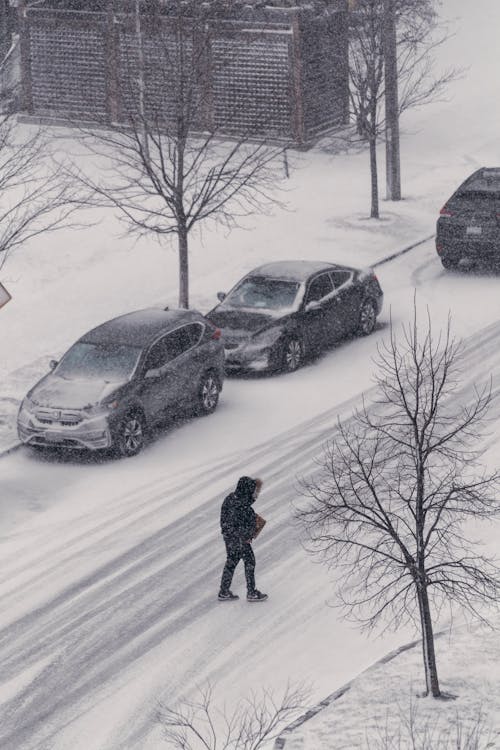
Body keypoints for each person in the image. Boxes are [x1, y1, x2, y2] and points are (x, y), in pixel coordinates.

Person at [218, 476, 268, 602]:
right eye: (253, 491)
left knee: (232, 561)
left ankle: (224, 591)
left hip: (229, 537)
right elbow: (244, 523)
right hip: (239, 538)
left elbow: (227, 521)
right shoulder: (243, 506)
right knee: (250, 561)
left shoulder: (230, 499)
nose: (255, 494)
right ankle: (251, 592)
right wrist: (247, 536)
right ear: (247, 490)